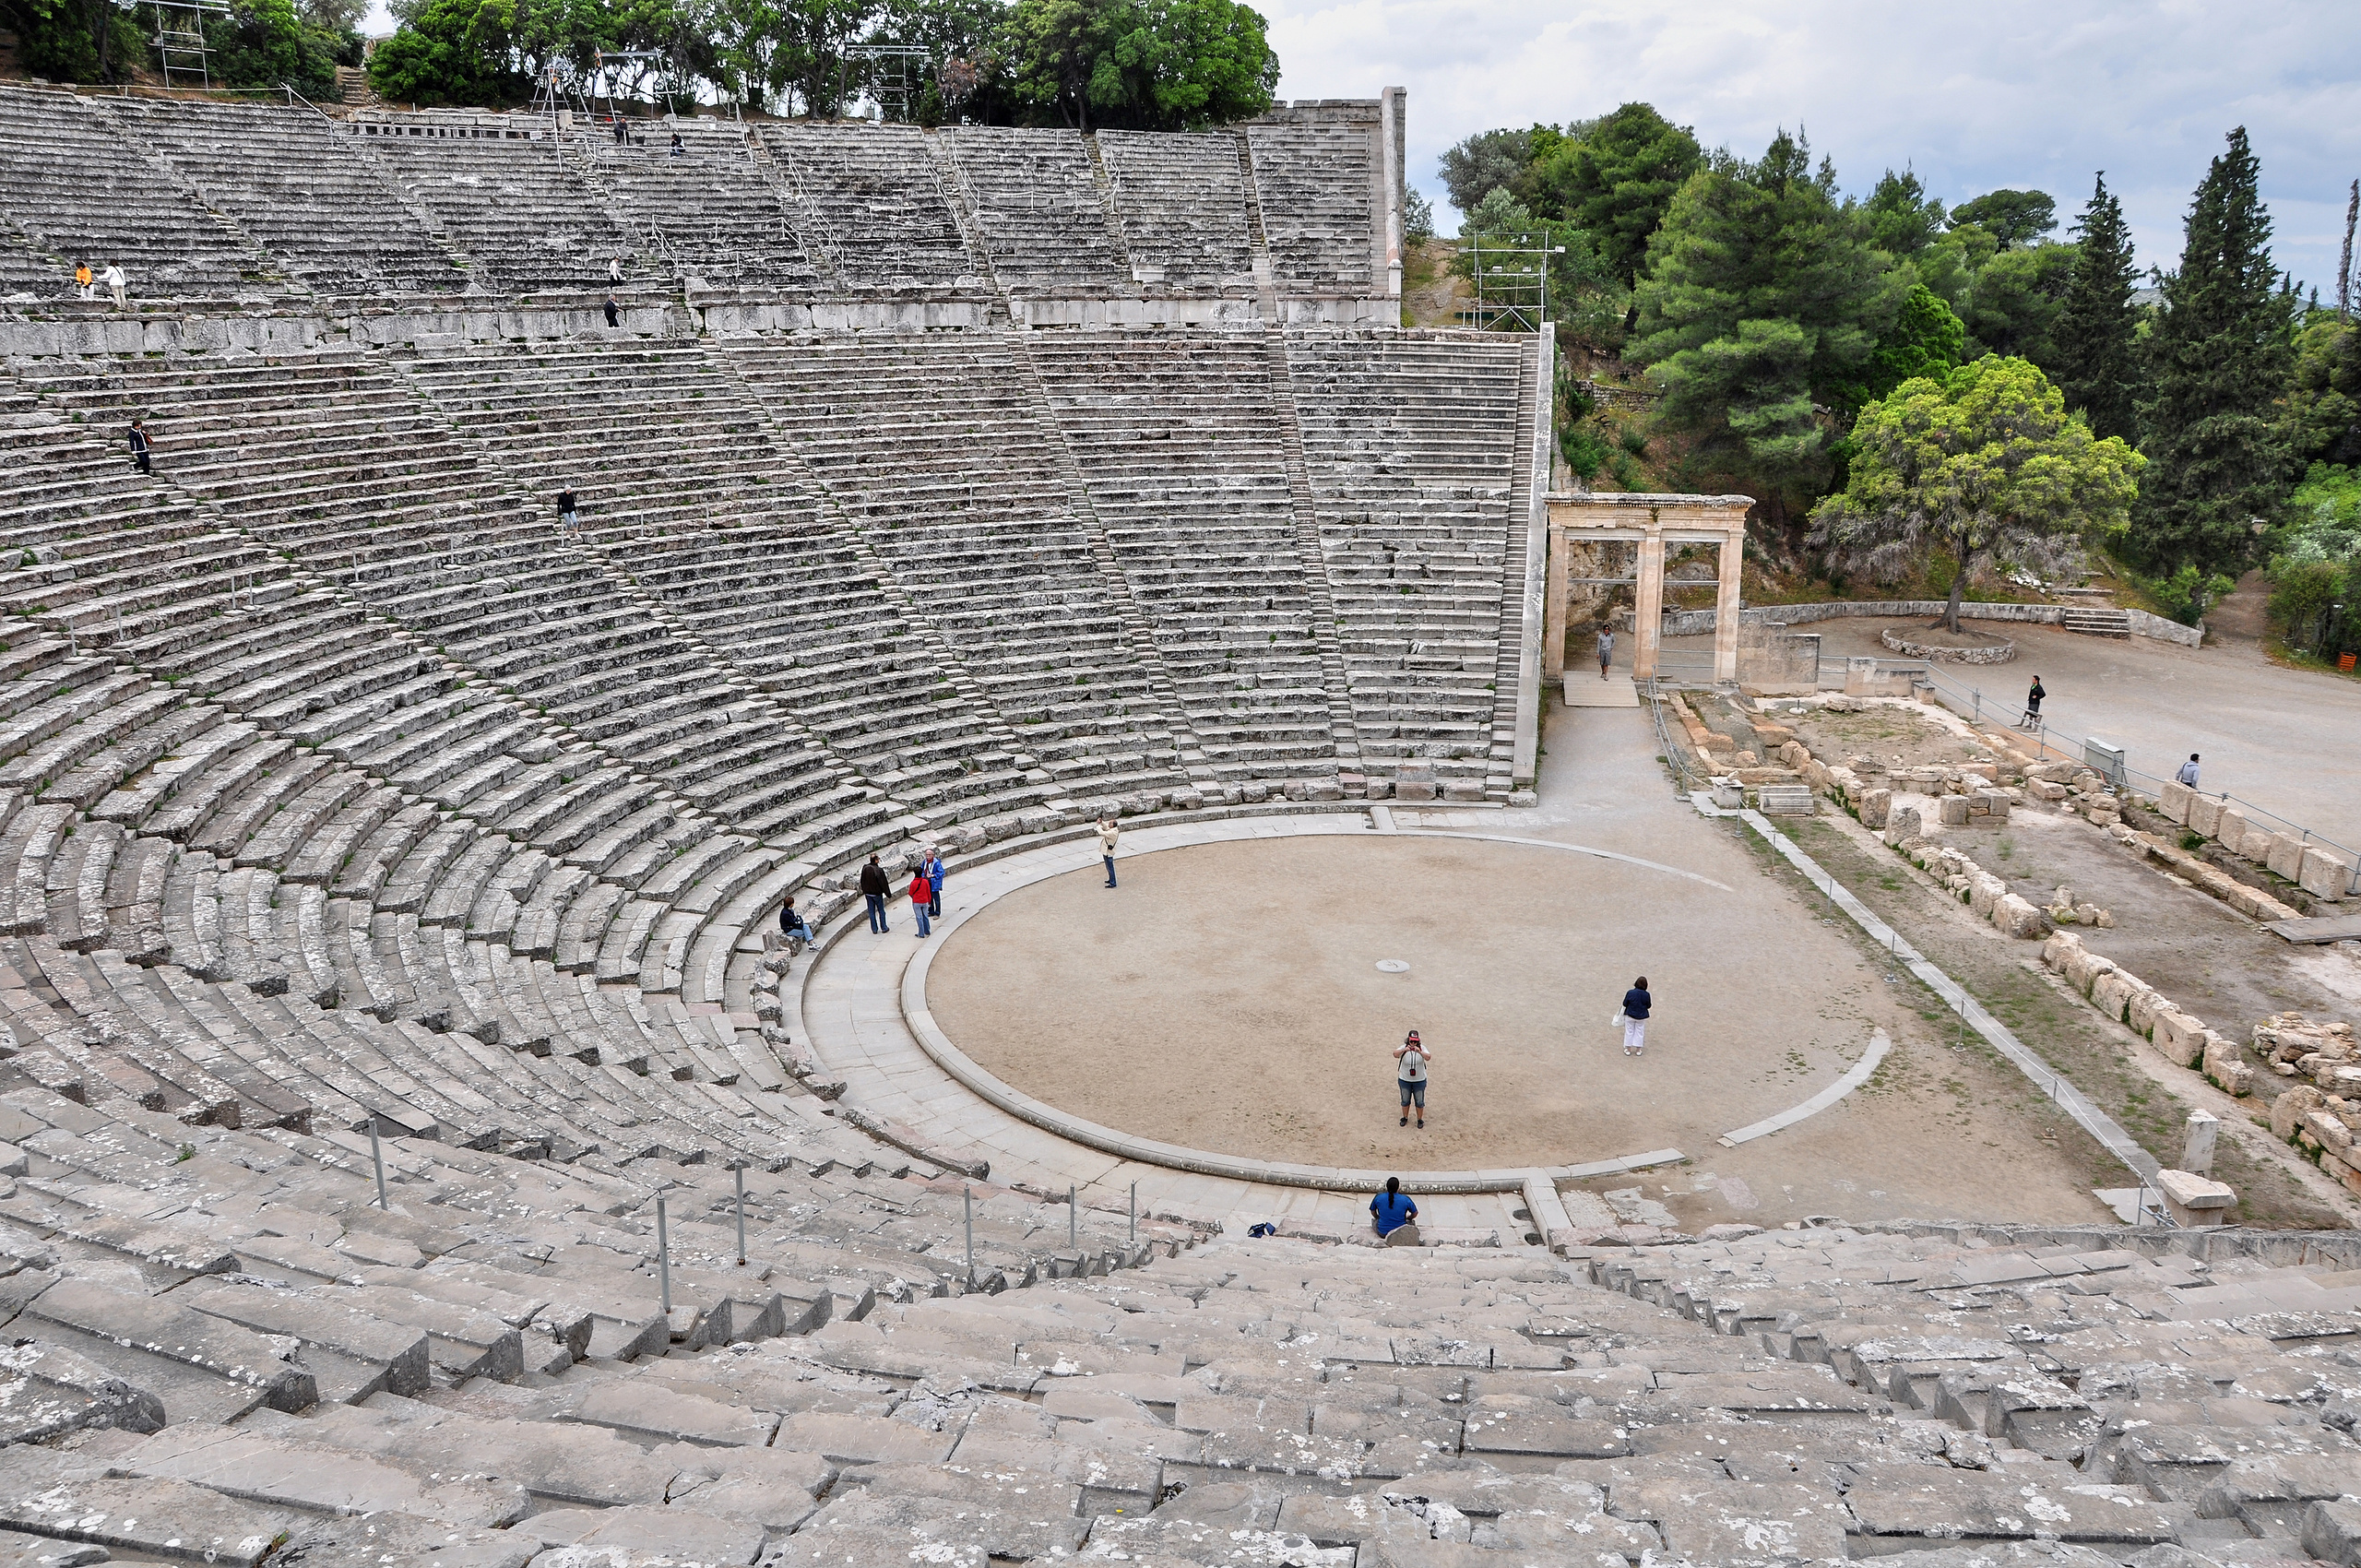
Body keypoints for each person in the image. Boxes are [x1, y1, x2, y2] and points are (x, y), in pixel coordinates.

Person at [1394, 1029, 1430, 1129]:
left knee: (1419, 1101)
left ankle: (1419, 1119)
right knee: (1405, 1100)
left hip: (1419, 1080)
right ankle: (1405, 1117)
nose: (1413, 1043)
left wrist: (1420, 1052)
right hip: (1405, 1080)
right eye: (1411, 1041)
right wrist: (1403, 1051)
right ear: (1408, 1040)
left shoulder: (1422, 1048)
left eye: (1415, 1041)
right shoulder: (1403, 1048)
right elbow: (1395, 1054)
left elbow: (1428, 1057)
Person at [1370, 1176, 1418, 1241]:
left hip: (1382, 1232)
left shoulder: (1379, 1197)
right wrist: (1408, 1218)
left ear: (1387, 1187)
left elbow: (1373, 1211)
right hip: (1400, 1232)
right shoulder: (1405, 1199)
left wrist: (1378, 1217)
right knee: (1411, 1223)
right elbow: (1415, 1213)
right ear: (1398, 1188)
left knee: (1375, 1221)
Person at [1619, 975, 1652, 1058]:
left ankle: (1628, 1049)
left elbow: (1625, 1003)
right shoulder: (1647, 995)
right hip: (1641, 1016)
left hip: (1630, 1015)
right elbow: (1648, 1005)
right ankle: (1638, 1050)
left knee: (1629, 1031)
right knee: (1639, 1032)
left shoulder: (1630, 992)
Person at [859, 854, 891, 932]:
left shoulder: (865, 868)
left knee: (871, 912)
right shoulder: (878, 870)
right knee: (881, 911)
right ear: (876, 860)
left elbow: (862, 880)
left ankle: (874, 929)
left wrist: (864, 890)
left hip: (868, 894)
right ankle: (884, 927)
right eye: (878, 859)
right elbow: (883, 883)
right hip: (877, 894)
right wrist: (888, 894)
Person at [908, 869, 933, 938]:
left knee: (919, 917)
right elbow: (928, 891)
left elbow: (910, 893)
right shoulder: (925, 881)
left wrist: (914, 897)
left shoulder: (913, 883)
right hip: (925, 901)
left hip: (916, 902)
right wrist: (929, 900)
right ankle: (927, 931)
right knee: (925, 916)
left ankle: (921, 933)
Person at [1096, 816, 1120, 888]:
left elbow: (1102, 832)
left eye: (1110, 823)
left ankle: (1113, 882)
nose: (1108, 824)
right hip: (1107, 851)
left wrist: (1098, 825)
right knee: (1108, 866)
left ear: (1112, 825)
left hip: (1108, 852)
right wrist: (1102, 822)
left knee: (1110, 867)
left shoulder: (1113, 832)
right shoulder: (1113, 830)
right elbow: (1106, 827)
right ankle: (1111, 879)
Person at [922, 849, 945, 919]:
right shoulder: (924, 862)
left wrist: (933, 875)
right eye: (927, 855)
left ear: (933, 855)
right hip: (927, 882)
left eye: (929, 855)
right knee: (929, 897)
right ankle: (931, 911)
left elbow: (941, 872)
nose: (928, 856)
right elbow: (922, 870)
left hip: (934, 883)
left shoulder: (937, 863)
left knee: (936, 898)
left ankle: (937, 913)